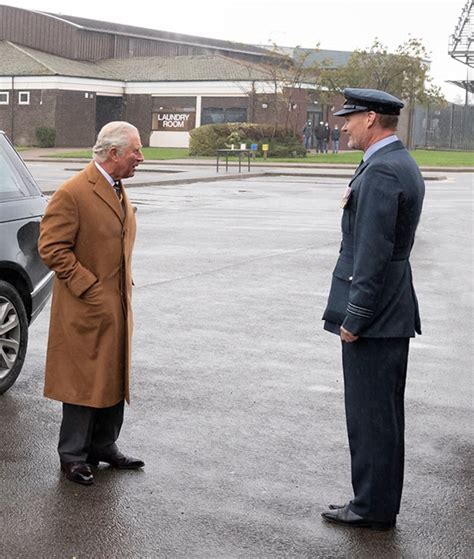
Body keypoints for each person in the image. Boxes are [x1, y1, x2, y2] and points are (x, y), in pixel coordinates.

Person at [321, 88, 425, 530]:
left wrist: (355, 315)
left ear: (369, 118)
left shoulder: (382, 171)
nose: (342, 125)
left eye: (348, 118)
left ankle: (371, 508)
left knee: (371, 418)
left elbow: (372, 253)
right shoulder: (393, 162)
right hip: (391, 311)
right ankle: (376, 502)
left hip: (376, 316)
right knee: (382, 416)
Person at [38, 121, 145, 486]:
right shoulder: (73, 192)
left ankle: (104, 446)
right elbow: (51, 248)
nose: (141, 158)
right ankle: (73, 456)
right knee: (82, 381)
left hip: (115, 303)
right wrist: (90, 286)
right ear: (113, 153)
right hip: (86, 304)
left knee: (112, 375)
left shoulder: (117, 188)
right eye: (135, 151)